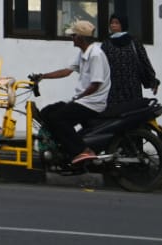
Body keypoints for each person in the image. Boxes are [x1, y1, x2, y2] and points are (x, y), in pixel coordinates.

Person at [31, 19, 113, 165]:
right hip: (84, 100)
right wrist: (42, 76)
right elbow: (66, 71)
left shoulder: (95, 55)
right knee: (47, 112)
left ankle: (82, 150)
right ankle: (61, 149)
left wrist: (78, 98)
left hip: (92, 103)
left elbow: (96, 83)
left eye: (73, 36)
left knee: (58, 118)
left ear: (80, 38)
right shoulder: (84, 53)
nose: (71, 38)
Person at [101, 14, 159, 111]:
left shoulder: (134, 42)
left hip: (132, 86)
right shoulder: (106, 44)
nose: (113, 25)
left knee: (133, 113)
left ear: (123, 24)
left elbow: (144, 61)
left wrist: (153, 81)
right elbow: (101, 65)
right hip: (114, 88)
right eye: (111, 23)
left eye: (116, 23)